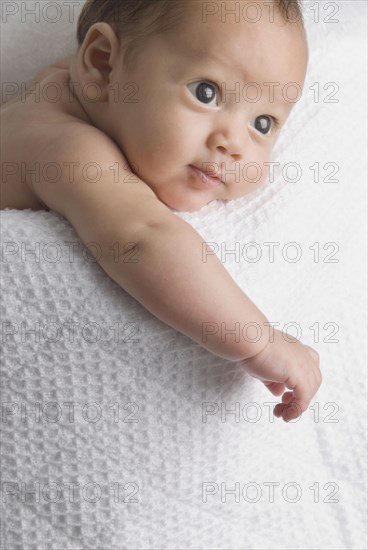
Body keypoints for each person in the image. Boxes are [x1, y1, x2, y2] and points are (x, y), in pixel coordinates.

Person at [0, 0, 322, 422]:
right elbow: (142, 236)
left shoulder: (69, 89)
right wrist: (259, 341)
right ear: (102, 65)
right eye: (207, 92)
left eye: (262, 123)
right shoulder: (66, 148)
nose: (234, 143)